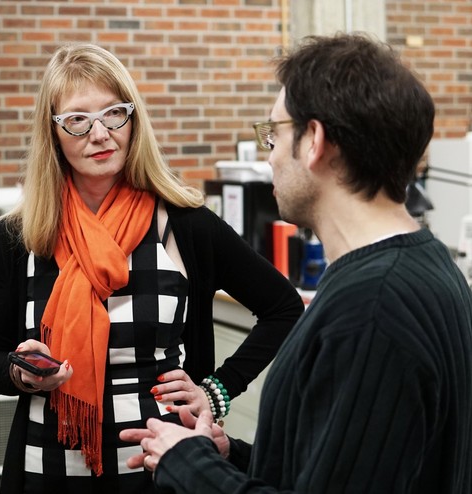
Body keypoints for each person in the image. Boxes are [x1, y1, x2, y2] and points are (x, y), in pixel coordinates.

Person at [120, 33, 472, 493]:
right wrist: (231, 457)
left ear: (314, 142)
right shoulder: (422, 266)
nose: (269, 156)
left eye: (273, 135)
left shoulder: (372, 309)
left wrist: (187, 464)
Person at [0, 42, 304, 494]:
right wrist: (20, 372)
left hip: (162, 468)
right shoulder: (19, 236)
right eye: (77, 120)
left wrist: (216, 390)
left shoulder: (186, 225)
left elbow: (284, 308)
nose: (99, 133)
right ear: (52, 133)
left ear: (133, 119)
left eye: (114, 113)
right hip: (47, 469)